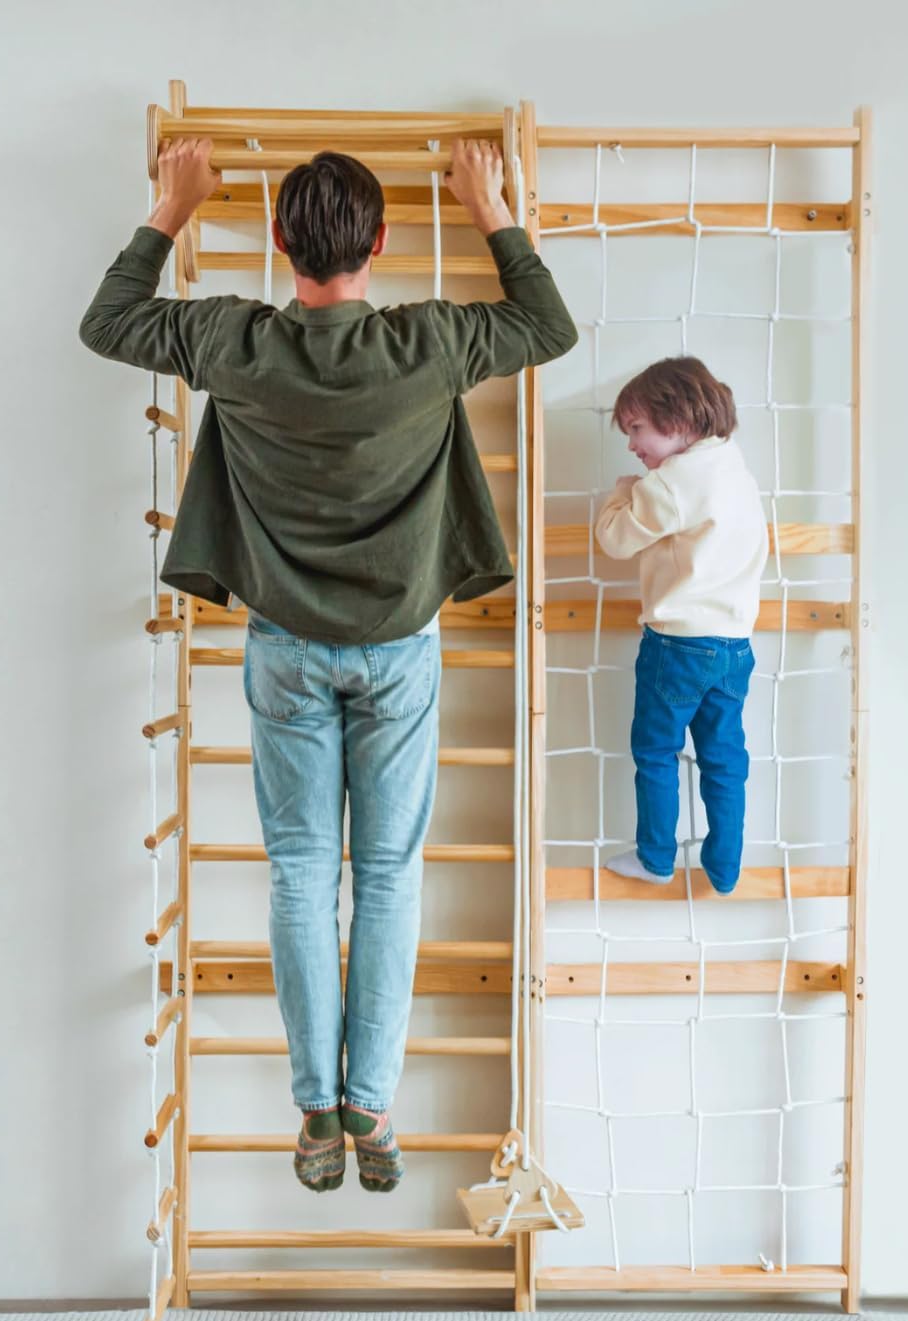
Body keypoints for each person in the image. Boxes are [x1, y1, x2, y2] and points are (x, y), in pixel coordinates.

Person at [80, 135, 576, 1194]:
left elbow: (108, 321)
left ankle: (315, 1106)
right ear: (381, 242)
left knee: (302, 874)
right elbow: (549, 324)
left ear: (277, 240)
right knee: (388, 876)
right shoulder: (428, 344)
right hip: (399, 647)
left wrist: (173, 206)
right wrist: (488, 205)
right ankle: (372, 1105)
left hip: (285, 650)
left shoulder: (234, 342)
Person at [593, 357, 767, 896]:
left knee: (656, 751)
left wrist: (623, 491)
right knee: (724, 758)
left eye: (637, 428)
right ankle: (726, 866)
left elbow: (614, 538)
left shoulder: (671, 484)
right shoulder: (736, 470)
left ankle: (656, 856)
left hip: (678, 645)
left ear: (679, 420)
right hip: (735, 645)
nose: (632, 446)